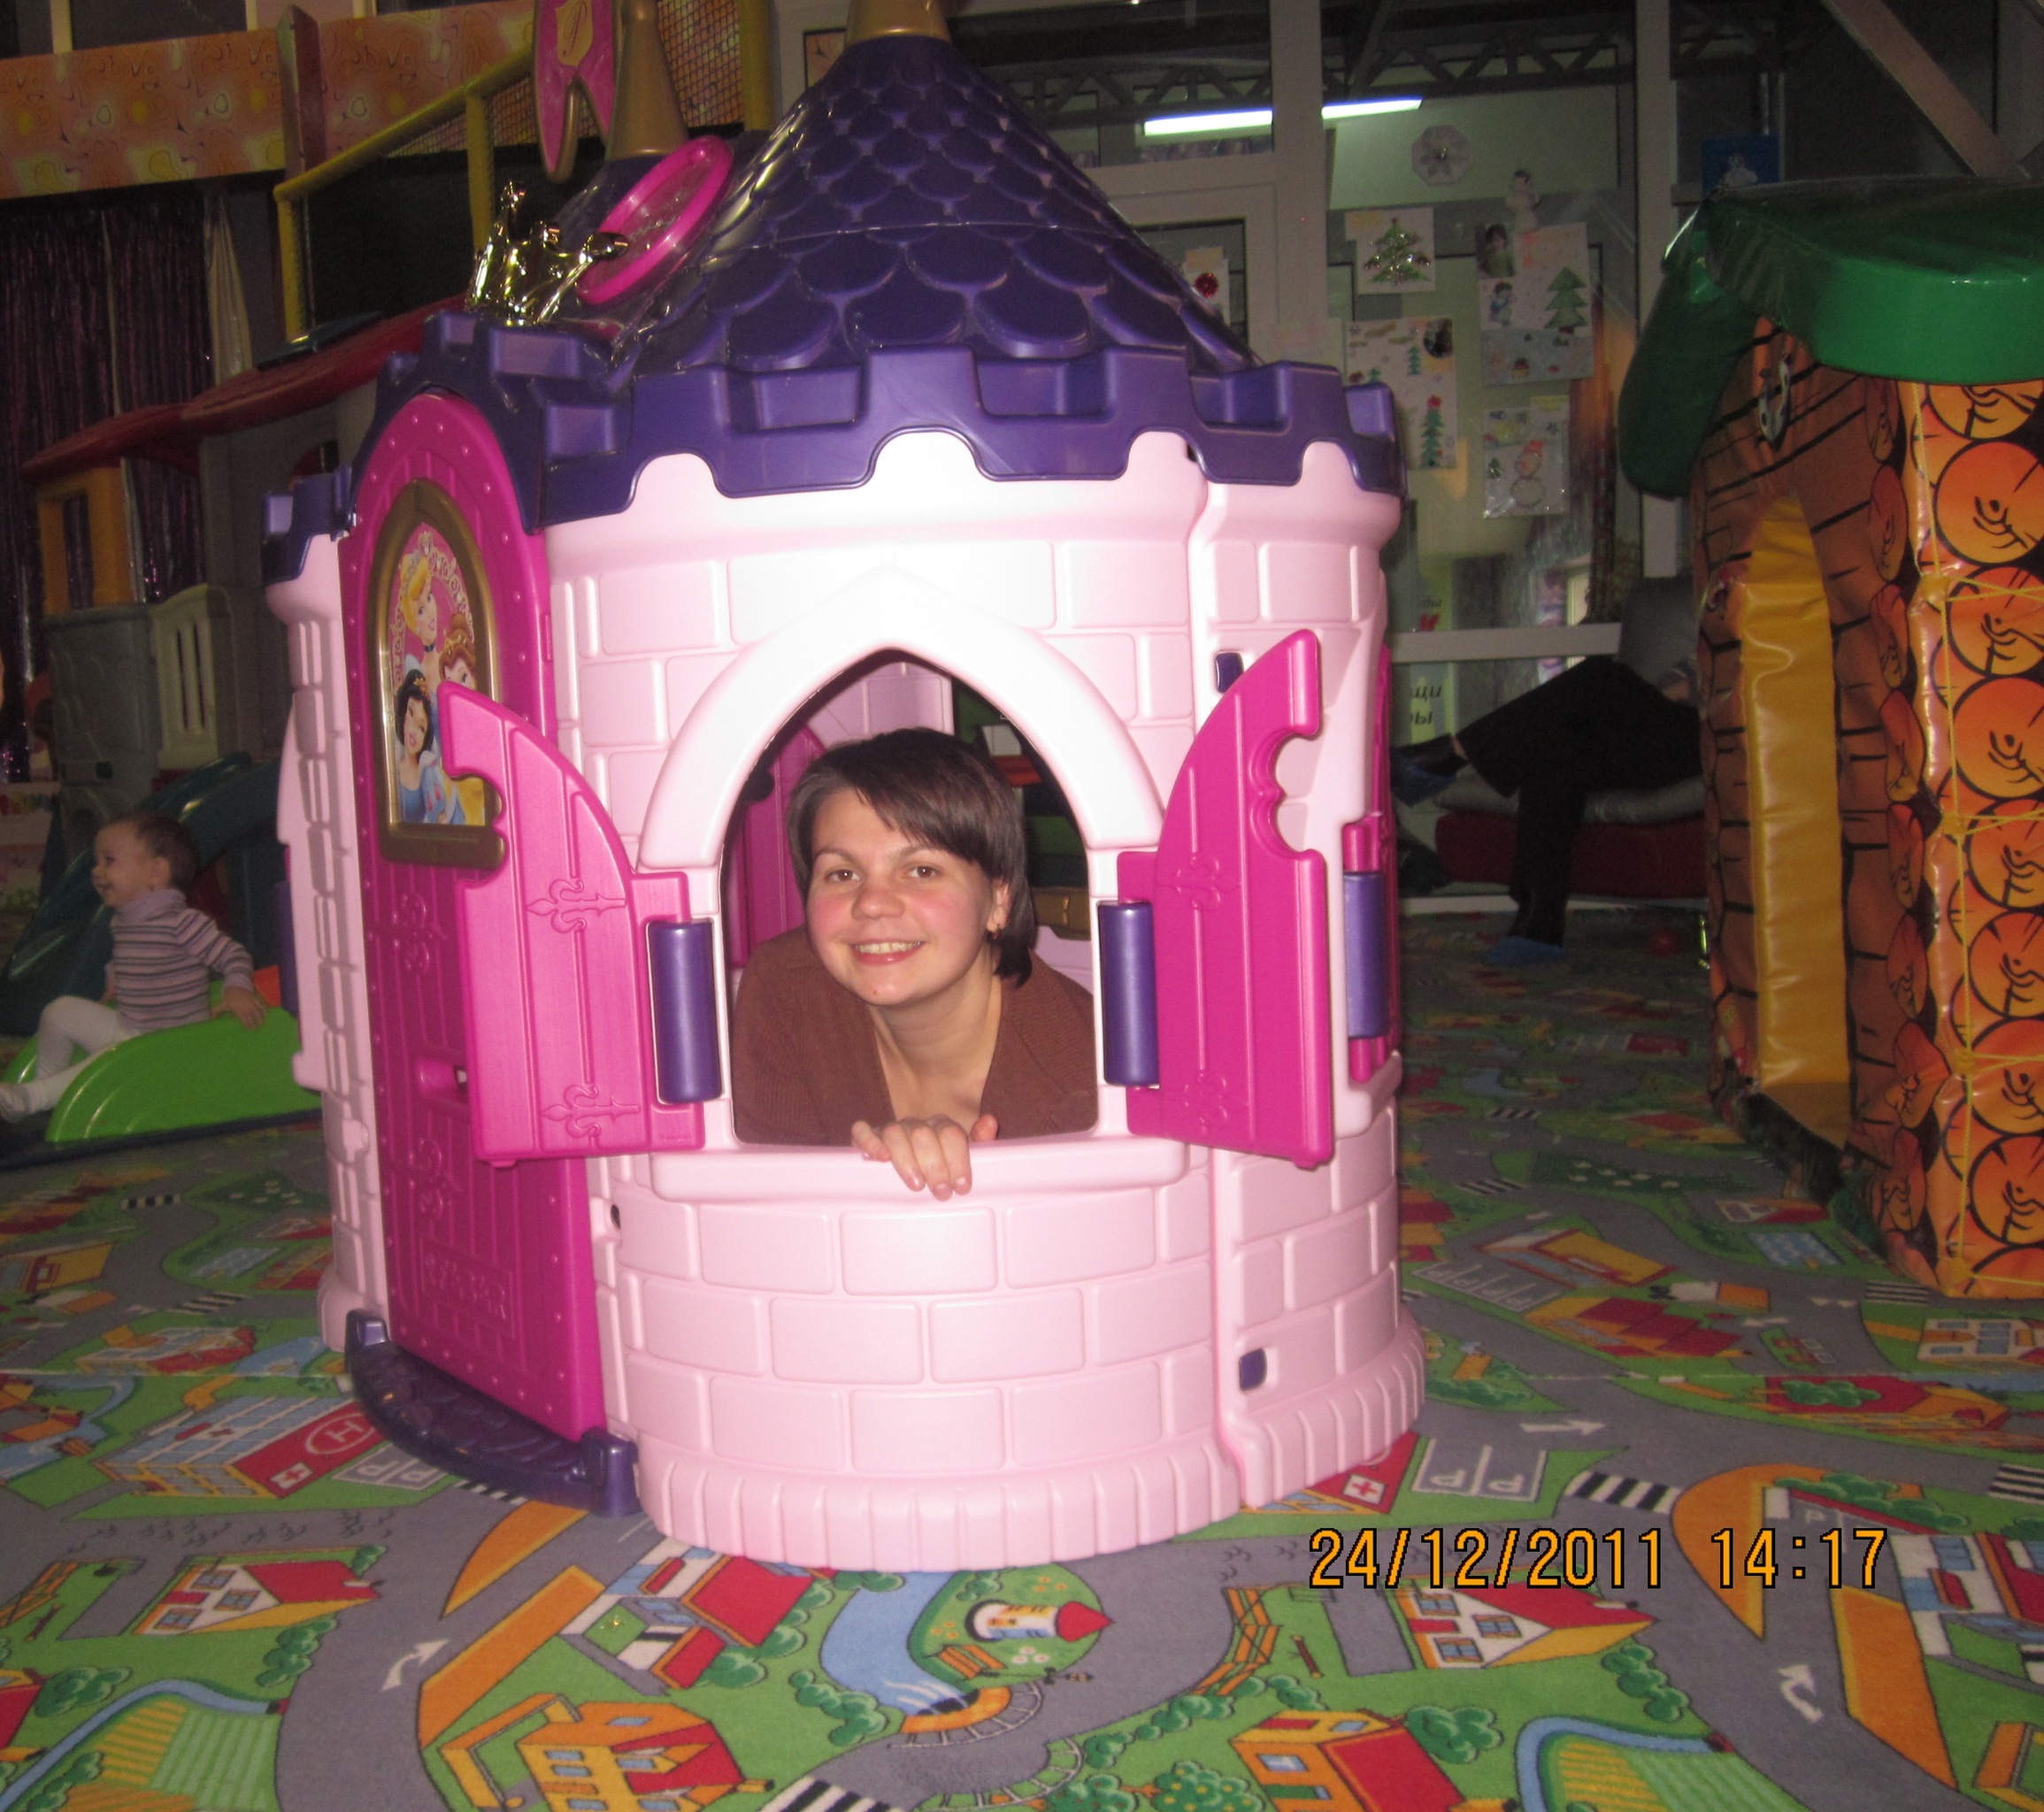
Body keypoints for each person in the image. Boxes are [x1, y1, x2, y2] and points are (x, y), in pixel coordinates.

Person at [732, 728, 1095, 1197]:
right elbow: (768, 1216)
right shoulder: (785, 990)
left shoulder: (1087, 1084)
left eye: (922, 870)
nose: (872, 903)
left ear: (998, 899)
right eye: (842, 873)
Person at [1393, 583, 1701, 966]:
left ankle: (1447, 756)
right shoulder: (1727, 623)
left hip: (1707, 742)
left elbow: (1697, 692)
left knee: (1600, 676)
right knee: (1553, 754)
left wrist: (1662, 696)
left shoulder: (1765, 631)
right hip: (1655, 736)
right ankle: (1540, 922)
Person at [0, 811, 265, 1120]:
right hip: (132, 1028)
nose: (97, 871)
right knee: (59, 1010)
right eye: (97, 862)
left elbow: (234, 955)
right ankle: (45, 1086)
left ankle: (35, 1097)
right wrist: (115, 977)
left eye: (109, 861)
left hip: (169, 1046)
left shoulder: (182, 922)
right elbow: (127, 958)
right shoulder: (124, 920)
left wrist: (237, 988)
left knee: (105, 1060)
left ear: (155, 872)